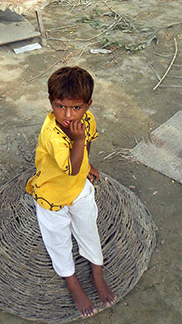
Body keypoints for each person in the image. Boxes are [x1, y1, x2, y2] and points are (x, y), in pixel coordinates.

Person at [26, 66, 116, 317]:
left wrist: (88, 162)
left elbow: (86, 146)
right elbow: (71, 167)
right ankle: (71, 280)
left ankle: (97, 272)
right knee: (58, 239)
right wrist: (77, 143)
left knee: (88, 227)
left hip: (78, 189)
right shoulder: (52, 133)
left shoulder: (86, 120)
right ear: (51, 103)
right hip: (51, 195)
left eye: (76, 107)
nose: (67, 115)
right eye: (60, 106)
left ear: (87, 105)